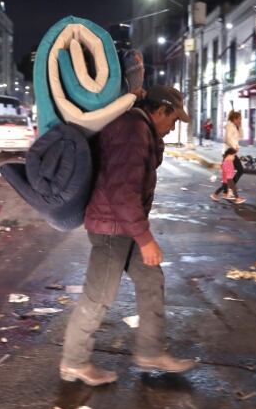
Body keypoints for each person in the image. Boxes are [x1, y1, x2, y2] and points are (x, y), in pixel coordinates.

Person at [60, 85, 197, 386]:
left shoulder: (141, 130)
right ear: (159, 111)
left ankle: (150, 351)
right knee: (98, 297)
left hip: (123, 225)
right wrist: (145, 238)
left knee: (150, 280)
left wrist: (157, 140)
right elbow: (122, 191)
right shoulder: (132, 130)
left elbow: (146, 168)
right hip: (112, 227)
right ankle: (74, 361)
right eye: (173, 120)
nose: (173, 126)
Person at [223, 110, 243, 199]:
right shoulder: (230, 126)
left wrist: (240, 127)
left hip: (232, 153)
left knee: (229, 174)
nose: (240, 121)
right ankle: (229, 191)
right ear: (234, 119)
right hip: (229, 153)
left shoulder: (235, 126)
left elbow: (241, 136)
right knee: (240, 170)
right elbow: (227, 139)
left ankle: (225, 191)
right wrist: (234, 147)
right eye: (239, 119)